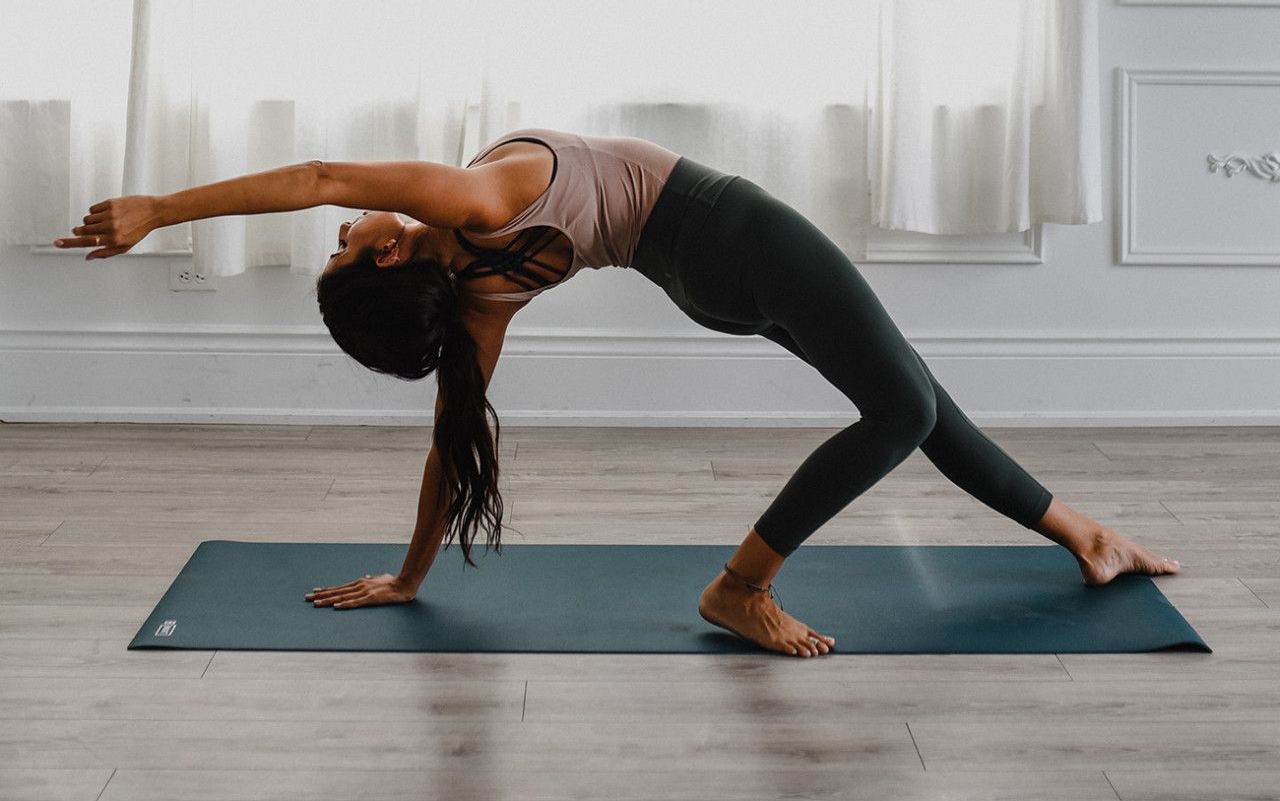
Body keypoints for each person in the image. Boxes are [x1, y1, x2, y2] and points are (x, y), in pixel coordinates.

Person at [55, 126, 1180, 658]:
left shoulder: (480, 296)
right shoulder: (470, 205)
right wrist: (158, 207)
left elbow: (454, 441)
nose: (345, 226)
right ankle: (740, 585)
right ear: (389, 256)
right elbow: (318, 175)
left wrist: (410, 576)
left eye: (338, 241)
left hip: (704, 281)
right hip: (733, 233)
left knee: (910, 398)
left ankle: (1084, 534)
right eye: (346, 245)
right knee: (905, 407)